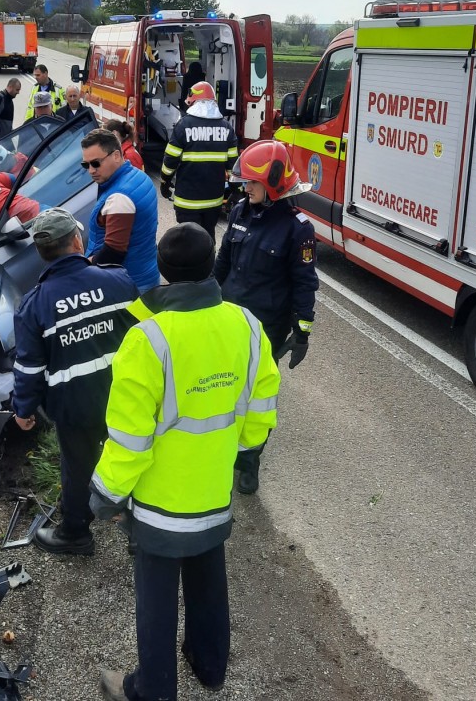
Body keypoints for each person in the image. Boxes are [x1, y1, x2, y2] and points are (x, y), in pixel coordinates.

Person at [91, 223, 281, 701]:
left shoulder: (148, 339)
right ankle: (210, 664)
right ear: (209, 263)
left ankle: (153, 689)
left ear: (164, 272)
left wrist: (106, 492)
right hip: (214, 492)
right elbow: (261, 406)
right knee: (208, 577)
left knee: (155, 602)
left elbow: (130, 437)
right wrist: (238, 452)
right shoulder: (246, 324)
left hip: (161, 503)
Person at [12, 208, 139, 555]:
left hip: (74, 406)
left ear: (42, 253)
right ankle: (142, 531)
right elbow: (145, 336)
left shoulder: (33, 306)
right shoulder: (118, 281)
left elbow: (29, 368)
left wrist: (23, 409)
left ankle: (75, 533)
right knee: (133, 455)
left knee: (78, 466)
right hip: (125, 397)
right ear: (77, 241)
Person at [213, 139, 318, 494]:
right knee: (223, 387)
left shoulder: (297, 228)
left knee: (257, 398)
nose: (246, 187)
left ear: (271, 183)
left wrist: (302, 331)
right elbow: (223, 261)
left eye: (252, 182)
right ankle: (223, 446)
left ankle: (249, 461)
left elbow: (305, 282)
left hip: (266, 328)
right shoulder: (242, 211)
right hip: (228, 319)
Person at [81, 129, 159, 292]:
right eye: (85, 165)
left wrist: (84, 267)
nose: (91, 170)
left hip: (129, 285)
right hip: (146, 272)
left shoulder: (119, 198)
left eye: (96, 163)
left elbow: (113, 253)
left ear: (116, 155)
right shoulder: (139, 176)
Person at [160, 81, 238, 243]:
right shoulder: (226, 128)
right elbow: (233, 167)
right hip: (214, 201)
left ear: (194, 101)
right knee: (208, 238)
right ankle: (208, 266)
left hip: (187, 202)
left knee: (188, 244)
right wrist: (235, 191)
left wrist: (164, 182)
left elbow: (170, 161)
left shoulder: (183, 126)